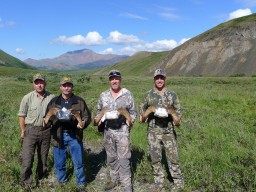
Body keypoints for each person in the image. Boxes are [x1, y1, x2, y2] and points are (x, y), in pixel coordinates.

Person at [139, 69, 184, 192]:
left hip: (168, 132)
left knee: (173, 157)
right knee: (155, 158)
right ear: (154, 79)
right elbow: (141, 118)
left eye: (162, 78)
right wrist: (147, 113)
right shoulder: (147, 95)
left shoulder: (173, 95)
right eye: (157, 78)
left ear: (165, 79)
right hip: (153, 132)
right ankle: (159, 182)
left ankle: (178, 182)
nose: (159, 80)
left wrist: (173, 114)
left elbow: (179, 120)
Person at [45, 77, 91, 190]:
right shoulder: (54, 101)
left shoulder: (79, 101)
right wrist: (47, 122)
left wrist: (83, 123)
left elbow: (87, 116)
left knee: (79, 161)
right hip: (58, 135)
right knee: (59, 162)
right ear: (60, 87)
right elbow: (47, 116)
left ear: (72, 87)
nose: (67, 87)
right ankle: (62, 182)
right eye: (64, 85)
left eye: (69, 85)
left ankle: (81, 183)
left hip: (75, 135)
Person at [94, 70, 136, 192]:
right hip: (108, 132)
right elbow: (98, 111)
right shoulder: (103, 95)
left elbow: (133, 112)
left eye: (116, 78)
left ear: (120, 80)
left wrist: (130, 120)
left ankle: (126, 185)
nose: (114, 81)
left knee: (124, 159)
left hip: (122, 131)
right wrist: (100, 119)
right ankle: (114, 179)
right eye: (112, 78)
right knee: (111, 157)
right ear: (109, 80)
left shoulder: (127, 94)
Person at [18, 73, 55, 189]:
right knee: (27, 159)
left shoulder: (52, 97)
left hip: (46, 131)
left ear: (45, 83)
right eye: (37, 82)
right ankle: (26, 184)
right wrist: (23, 130)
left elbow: (56, 113)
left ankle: (41, 178)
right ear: (33, 84)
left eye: (41, 82)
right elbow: (21, 115)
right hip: (31, 130)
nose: (39, 85)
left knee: (43, 157)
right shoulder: (27, 98)